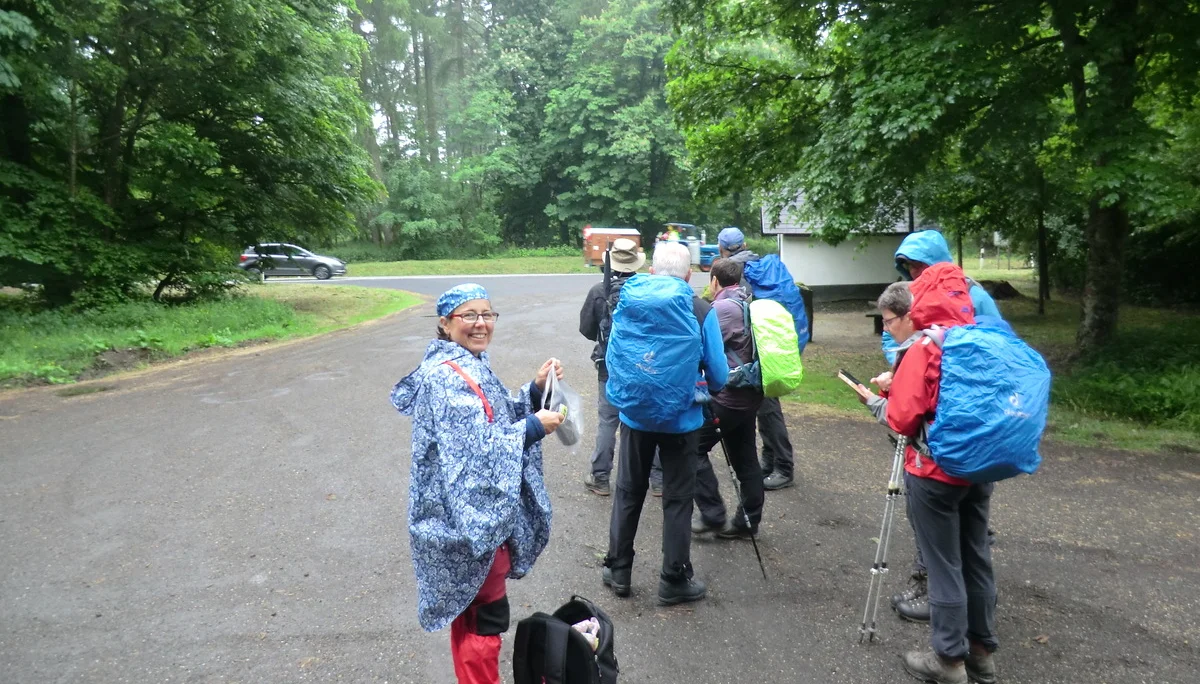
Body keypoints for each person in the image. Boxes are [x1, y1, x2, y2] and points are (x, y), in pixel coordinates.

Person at [389, 283, 565, 684]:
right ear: (445, 322)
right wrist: (535, 425)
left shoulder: (468, 362)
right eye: (469, 316)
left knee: (470, 615)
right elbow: (478, 453)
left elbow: (495, 419)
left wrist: (536, 390)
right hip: (465, 524)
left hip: (461, 519)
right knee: (484, 618)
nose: (480, 323)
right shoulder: (448, 378)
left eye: (487, 314)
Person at [857, 264, 999, 684]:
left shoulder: (925, 346)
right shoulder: (981, 338)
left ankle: (949, 660)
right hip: (980, 464)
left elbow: (902, 419)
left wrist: (880, 400)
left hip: (935, 471)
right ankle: (981, 653)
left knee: (943, 564)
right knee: (976, 557)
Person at [602, 242, 728, 606]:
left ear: (653, 272)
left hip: (635, 415)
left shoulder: (629, 299)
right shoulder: (700, 309)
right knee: (677, 499)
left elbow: (614, 353)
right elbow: (718, 374)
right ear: (690, 275)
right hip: (682, 420)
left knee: (628, 491)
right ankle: (673, 577)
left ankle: (619, 569)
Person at [578, 238, 663, 497]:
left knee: (607, 421)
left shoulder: (599, 291)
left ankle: (601, 477)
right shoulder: (649, 290)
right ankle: (658, 480)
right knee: (650, 420)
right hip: (644, 366)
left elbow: (587, 329)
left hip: (610, 367)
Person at [714, 227, 797, 491]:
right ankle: (769, 461)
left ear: (720, 247)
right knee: (764, 408)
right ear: (745, 244)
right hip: (769, 347)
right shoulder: (758, 264)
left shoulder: (734, 271)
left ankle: (783, 467)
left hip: (757, 354)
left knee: (769, 410)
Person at [691, 258, 765, 539]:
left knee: (693, 448)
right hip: (750, 397)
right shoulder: (749, 301)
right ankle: (748, 522)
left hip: (728, 398)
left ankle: (713, 513)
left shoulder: (721, 308)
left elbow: (705, 349)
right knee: (745, 459)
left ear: (714, 281)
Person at [884, 229, 1001, 364]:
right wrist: (903, 365)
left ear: (937, 262)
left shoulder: (973, 295)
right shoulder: (907, 296)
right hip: (921, 373)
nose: (914, 271)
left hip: (967, 371)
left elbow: (998, 338)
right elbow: (890, 335)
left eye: (919, 264)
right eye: (909, 265)